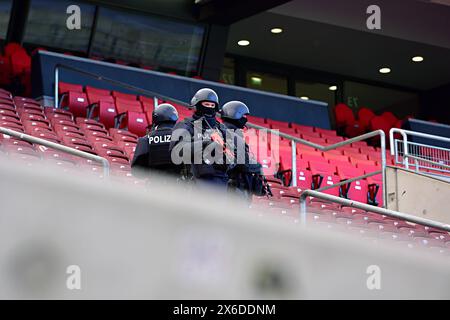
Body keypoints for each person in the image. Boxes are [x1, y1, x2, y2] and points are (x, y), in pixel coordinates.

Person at [169, 88, 230, 189]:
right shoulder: (186, 125)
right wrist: (204, 144)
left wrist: (224, 154)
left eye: (212, 105)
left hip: (220, 186)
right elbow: (176, 152)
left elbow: (234, 157)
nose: (209, 108)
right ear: (197, 104)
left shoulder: (221, 128)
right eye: (206, 104)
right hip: (193, 184)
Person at [220, 100, 271, 200]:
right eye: (243, 116)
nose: (245, 119)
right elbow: (243, 164)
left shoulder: (229, 133)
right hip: (233, 190)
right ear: (235, 115)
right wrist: (257, 166)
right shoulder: (228, 135)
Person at [131, 103, 179, 178]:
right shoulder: (183, 138)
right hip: (180, 187)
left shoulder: (146, 140)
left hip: (155, 186)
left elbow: (137, 171)